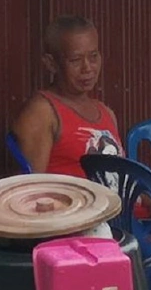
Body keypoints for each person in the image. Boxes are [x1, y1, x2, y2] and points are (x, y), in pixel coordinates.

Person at [11, 15, 124, 176]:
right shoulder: (42, 112)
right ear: (51, 63)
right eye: (75, 60)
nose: (87, 68)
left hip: (119, 200)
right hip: (77, 201)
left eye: (93, 57)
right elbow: (32, 189)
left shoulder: (106, 113)